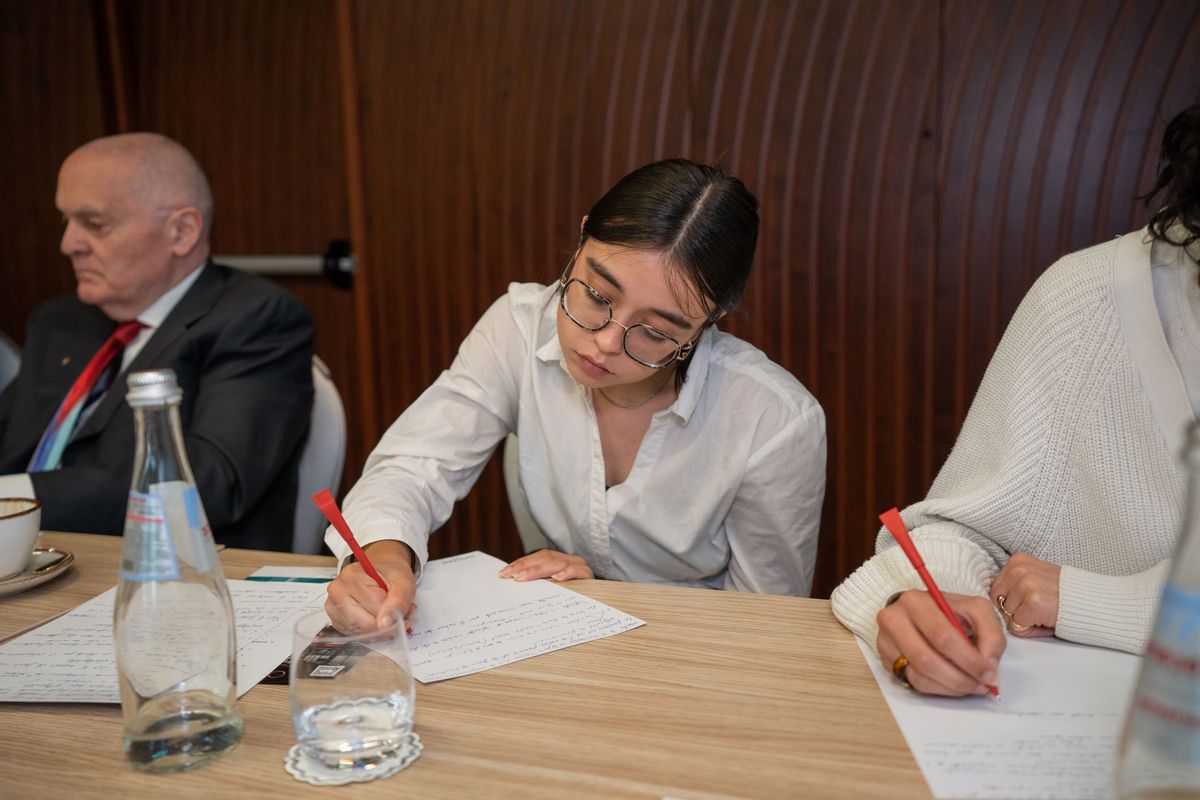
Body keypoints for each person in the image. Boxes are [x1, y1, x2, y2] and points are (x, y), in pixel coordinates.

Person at [326, 159, 826, 631]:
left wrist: (611, 601)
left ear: (708, 321)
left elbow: (769, 622)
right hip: (561, 643)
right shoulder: (519, 328)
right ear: (583, 234)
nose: (605, 343)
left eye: (655, 331)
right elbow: (414, 467)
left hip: (693, 664)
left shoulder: (773, 420)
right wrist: (386, 555)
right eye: (596, 295)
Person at [830, 105, 1200, 697]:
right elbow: (966, 532)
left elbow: (1078, 598)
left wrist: (1094, 602)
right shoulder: (1092, 299)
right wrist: (927, 608)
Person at [0, 132, 314, 551]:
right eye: (66, 221)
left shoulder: (256, 319)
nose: (68, 244)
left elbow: (211, 483)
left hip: (172, 566)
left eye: (95, 224)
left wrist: (16, 500)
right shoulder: (60, 320)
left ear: (182, 231)